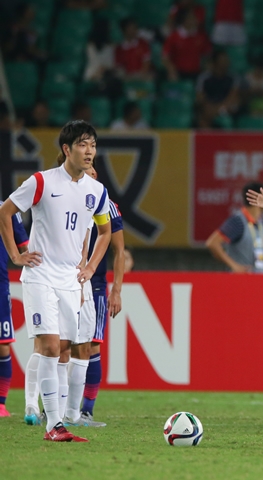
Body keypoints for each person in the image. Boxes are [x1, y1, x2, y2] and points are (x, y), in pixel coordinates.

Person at [0, 120, 111, 442]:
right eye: (82, 144)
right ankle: (53, 426)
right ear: (66, 149)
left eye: (92, 144)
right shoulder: (41, 182)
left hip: (71, 280)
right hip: (40, 275)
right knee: (49, 346)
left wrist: (90, 267)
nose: (89, 151)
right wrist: (15, 256)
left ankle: (57, 420)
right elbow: (5, 212)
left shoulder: (96, 190)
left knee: (65, 348)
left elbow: (105, 231)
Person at [67, 165, 125, 427]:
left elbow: (119, 251)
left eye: (91, 172)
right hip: (64, 279)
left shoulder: (107, 206)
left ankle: (86, 410)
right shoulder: (66, 200)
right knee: (62, 344)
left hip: (97, 285)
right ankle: (57, 407)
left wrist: (117, 289)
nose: (87, 176)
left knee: (91, 346)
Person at [206, 182, 263, 273]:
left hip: (261, 280)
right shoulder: (237, 222)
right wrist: (234, 265)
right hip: (242, 282)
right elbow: (212, 243)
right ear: (257, 198)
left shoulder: (261, 222)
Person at [0, 201, 29, 417]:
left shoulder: (6, 209)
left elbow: (24, 245)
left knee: (2, 346)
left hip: (0, 288)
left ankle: (0, 404)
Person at [163, 7, 211, 81]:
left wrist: (206, 69)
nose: (196, 19)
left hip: (196, 72)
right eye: (192, 18)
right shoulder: (174, 36)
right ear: (185, 20)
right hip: (179, 72)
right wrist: (171, 70)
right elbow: (165, 57)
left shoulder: (201, 36)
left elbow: (207, 55)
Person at [196, 50, 239, 128]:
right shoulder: (204, 78)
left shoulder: (233, 77)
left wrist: (218, 109)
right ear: (215, 62)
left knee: (234, 106)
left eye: (226, 60)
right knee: (202, 114)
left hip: (225, 108)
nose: (226, 62)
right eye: (223, 60)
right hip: (209, 107)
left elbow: (233, 96)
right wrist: (210, 108)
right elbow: (200, 97)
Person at [239, 52, 263, 118]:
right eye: (258, 67)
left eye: (262, 68)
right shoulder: (247, 78)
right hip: (249, 109)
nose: (259, 70)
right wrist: (251, 92)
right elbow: (241, 97)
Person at [114, 18, 152, 82]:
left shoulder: (143, 43)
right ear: (124, 30)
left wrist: (140, 75)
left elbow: (146, 62)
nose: (134, 31)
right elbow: (119, 67)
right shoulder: (119, 49)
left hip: (142, 75)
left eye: (135, 28)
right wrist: (127, 77)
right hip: (127, 77)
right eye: (130, 29)